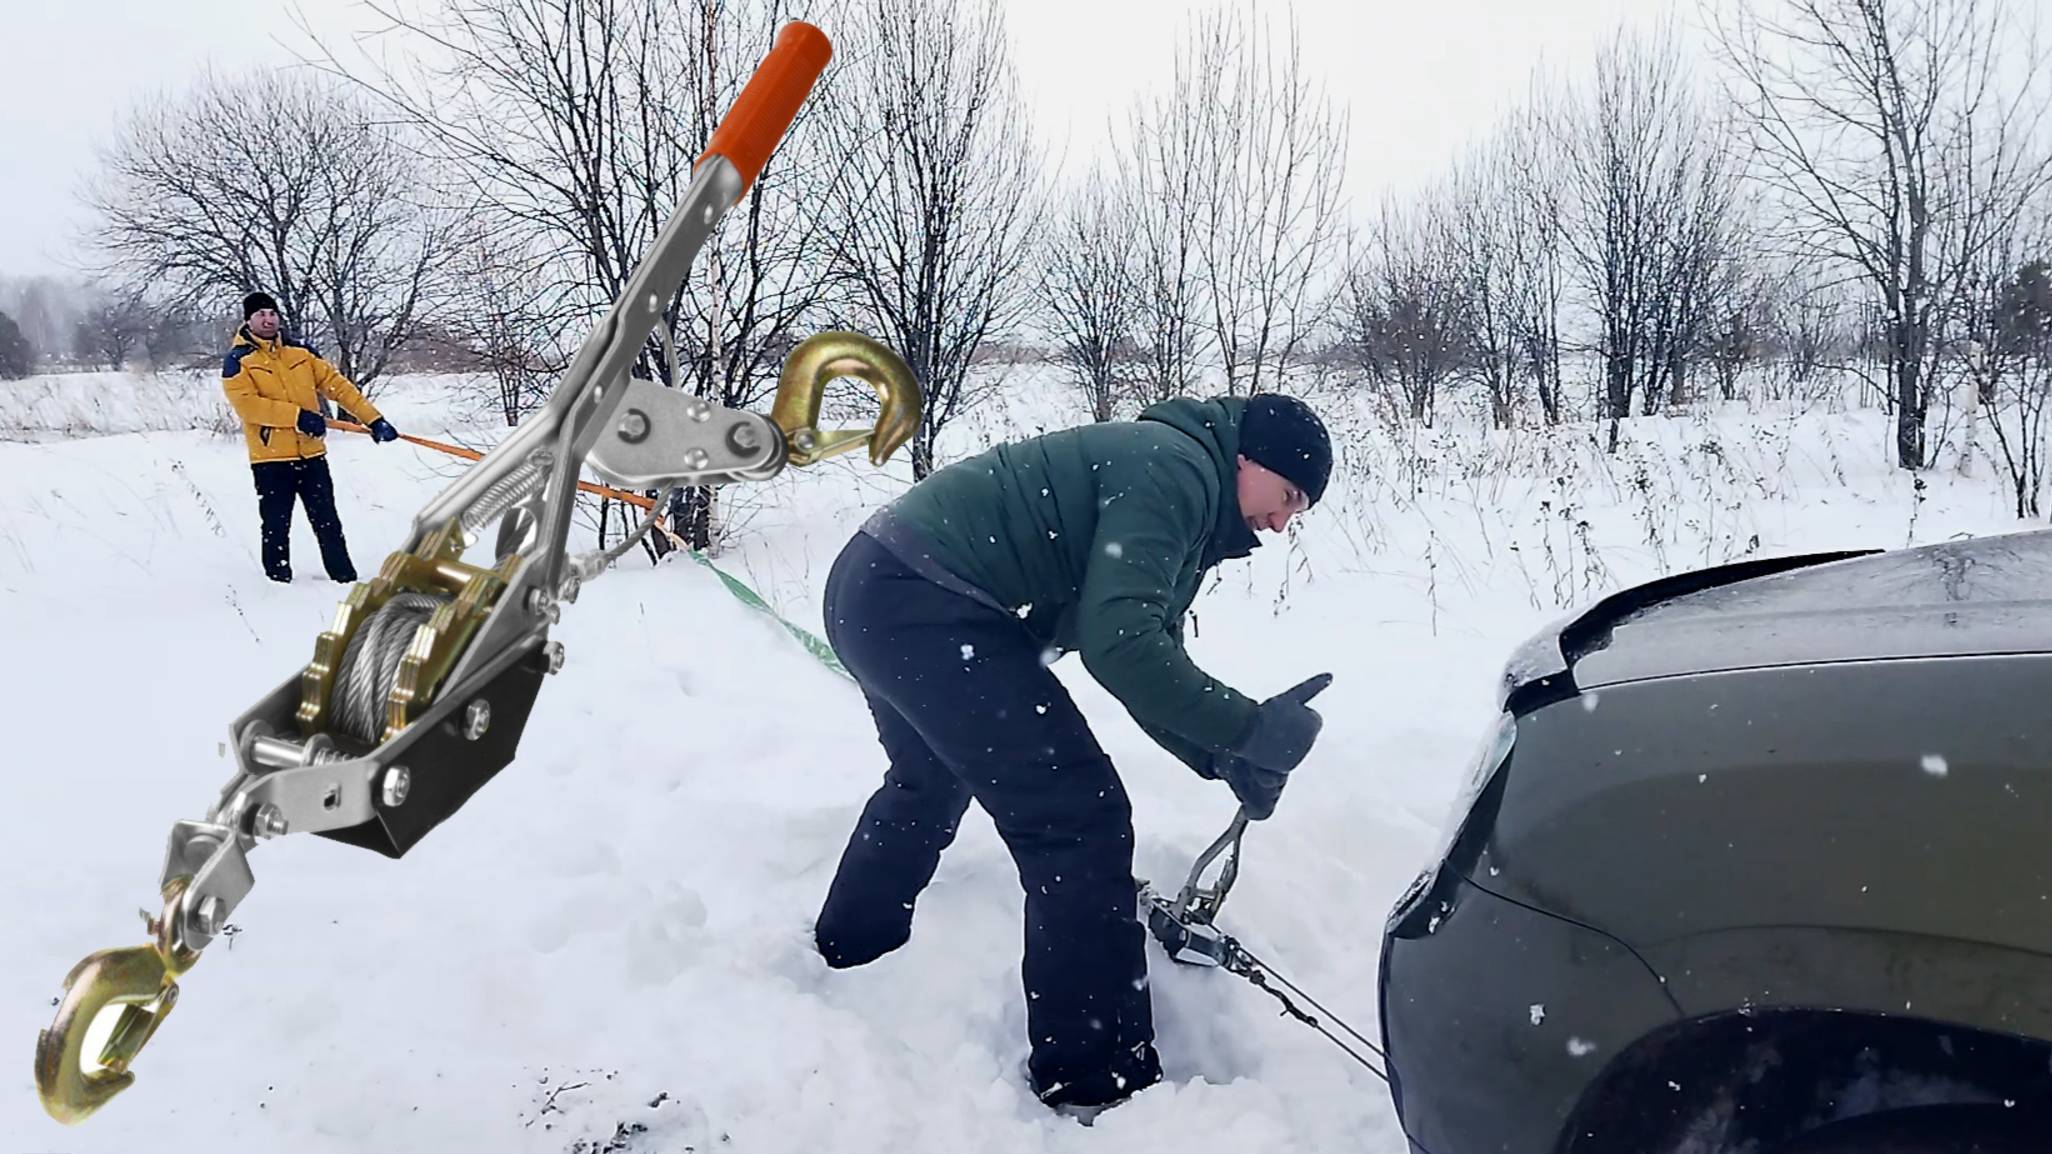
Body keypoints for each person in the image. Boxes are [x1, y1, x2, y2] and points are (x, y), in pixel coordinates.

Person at [812, 391, 1336, 1115]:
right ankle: (1097, 1080)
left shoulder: (1176, 475)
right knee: (1079, 817)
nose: (1281, 523)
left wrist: (1222, 755)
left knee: (928, 776)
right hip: (926, 598)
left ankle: (849, 951)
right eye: (1287, 496)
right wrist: (1248, 727)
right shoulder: (1176, 473)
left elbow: (1133, 649)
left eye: (1296, 512)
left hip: (875, 581)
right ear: (1248, 459)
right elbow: (1125, 649)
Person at [219, 291, 401, 583]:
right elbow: (249, 406)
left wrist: (374, 419)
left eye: (272, 314)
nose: (267, 320)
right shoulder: (238, 361)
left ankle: (344, 578)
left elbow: (338, 387)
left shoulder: (300, 352)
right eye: (260, 315)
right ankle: (277, 583)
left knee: (328, 521)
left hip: (312, 455)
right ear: (248, 321)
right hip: (271, 459)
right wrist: (297, 417)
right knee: (276, 525)